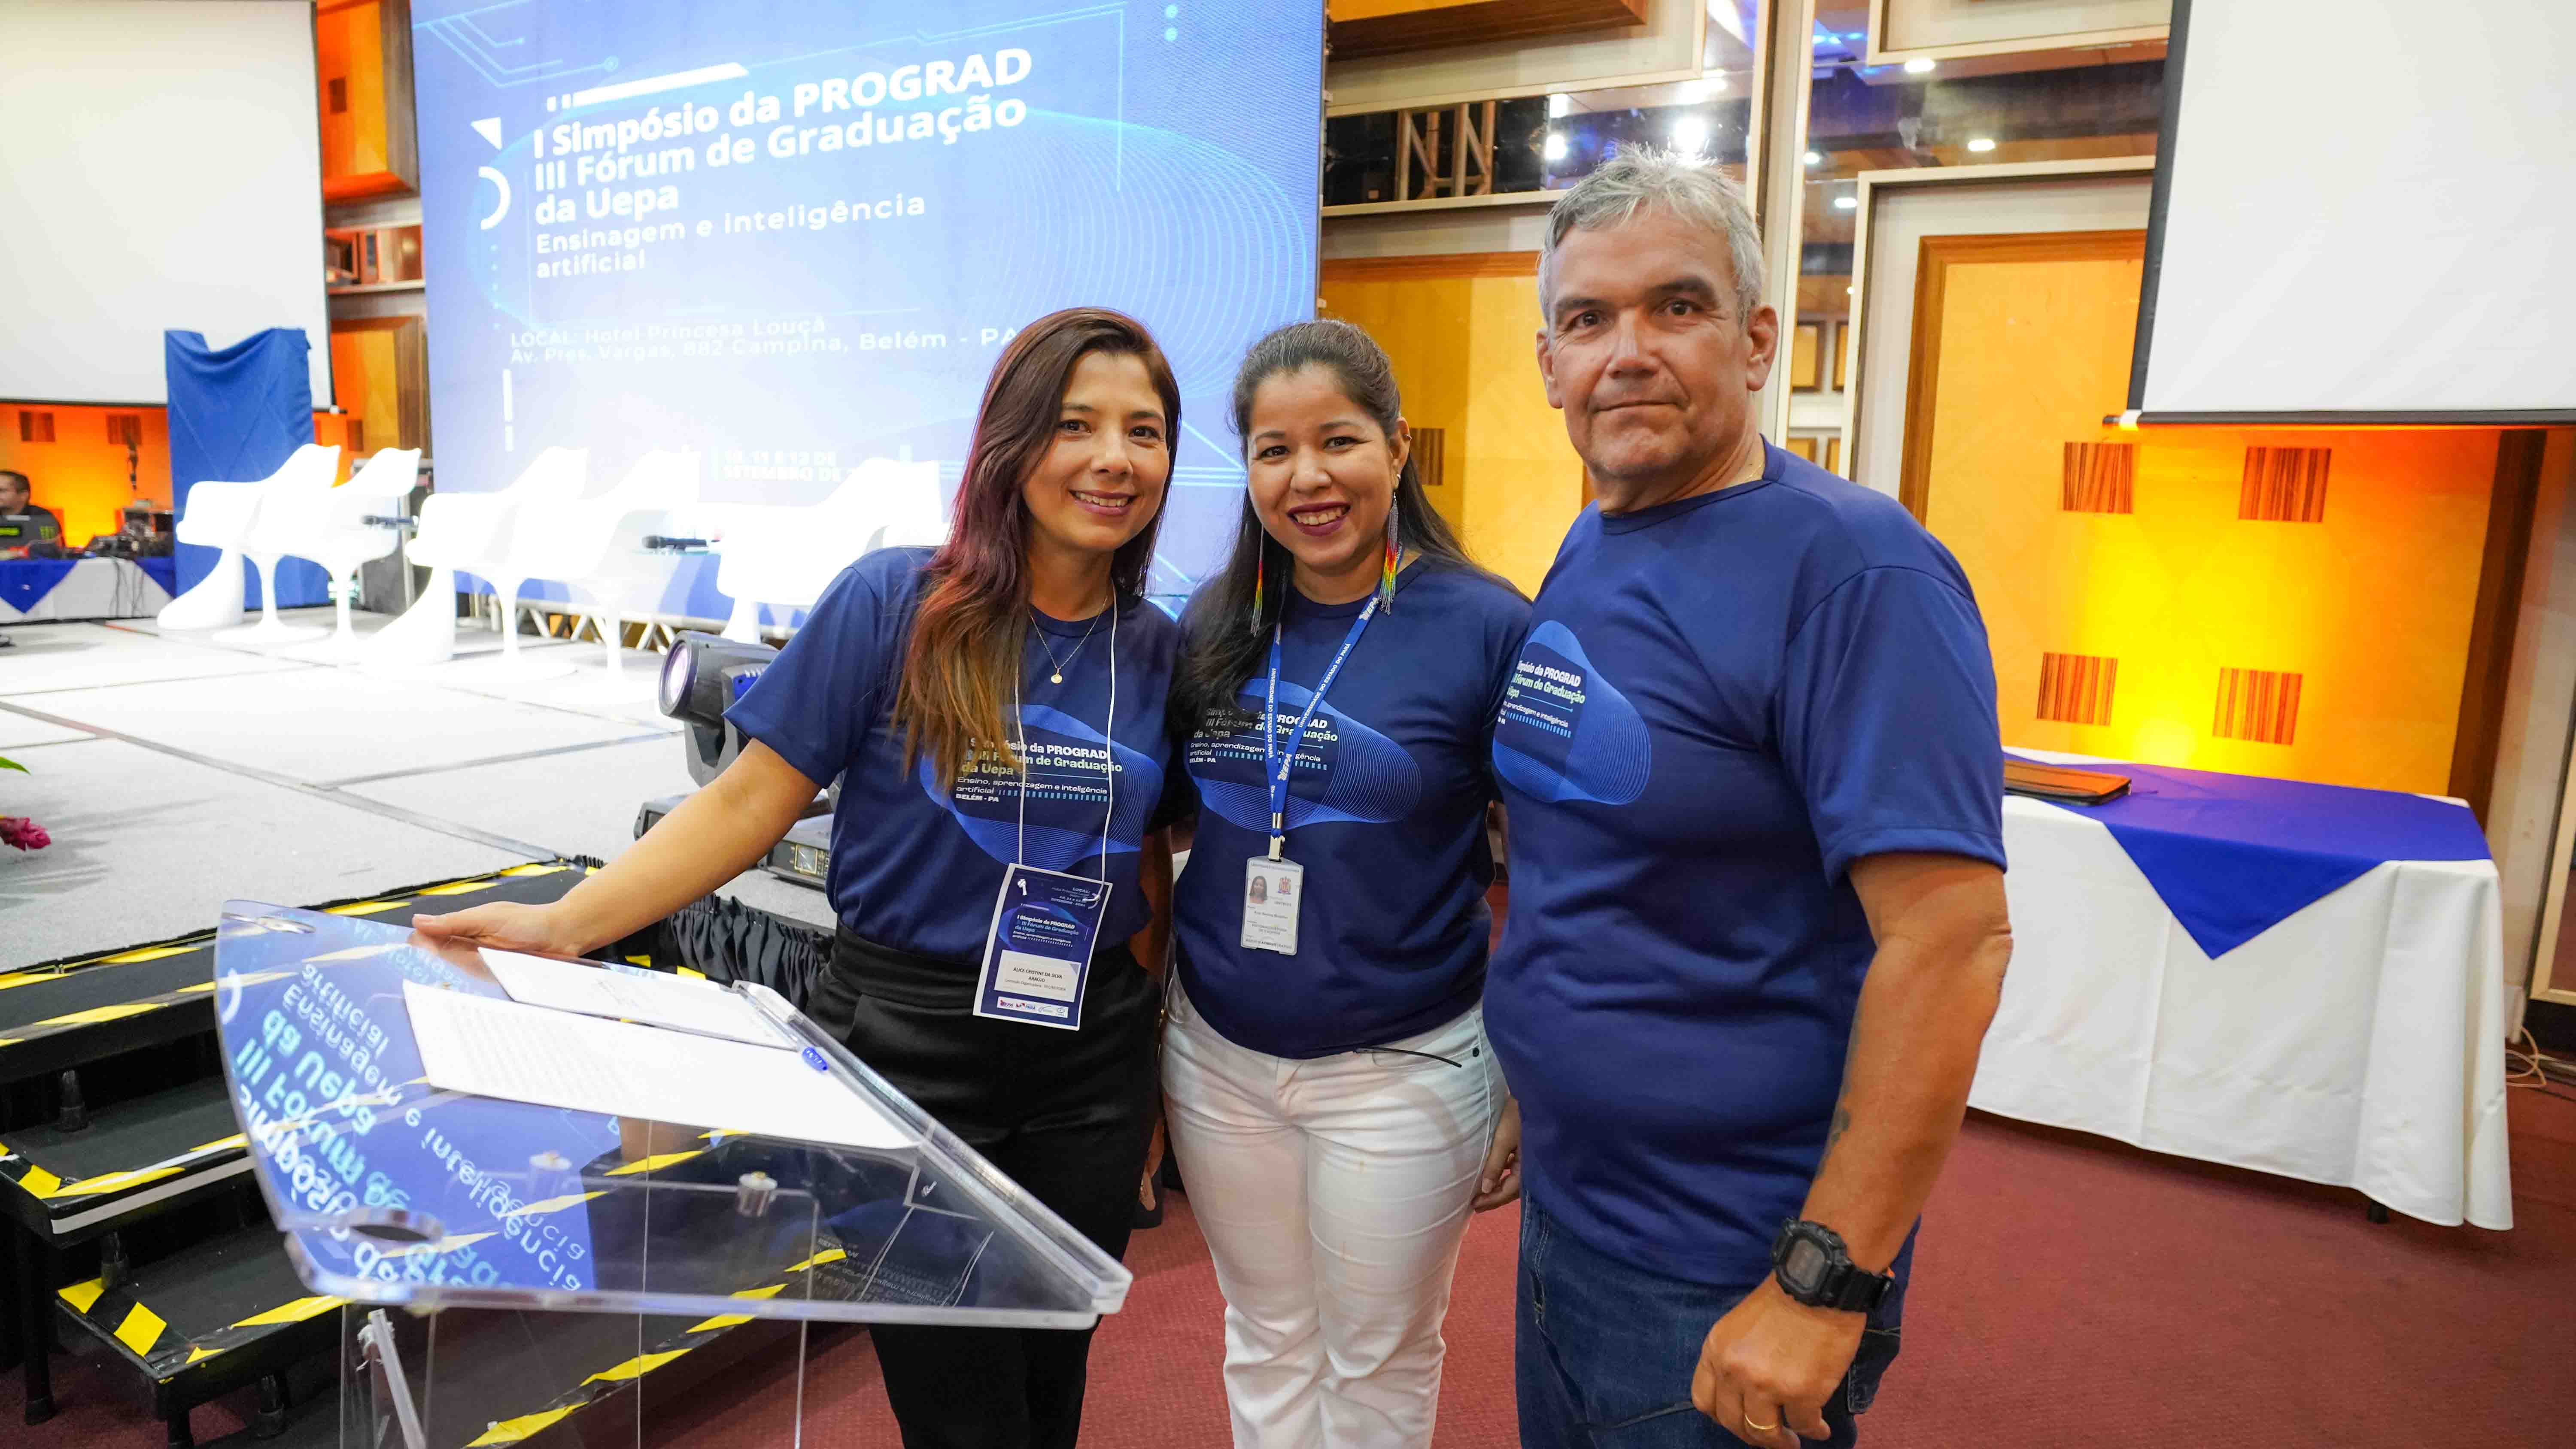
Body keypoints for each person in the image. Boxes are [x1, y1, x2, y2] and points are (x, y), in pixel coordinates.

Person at [416, 306, 1188, 1449]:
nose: (1113, 458)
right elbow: (746, 801)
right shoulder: (893, 603)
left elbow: (1147, 863)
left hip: (1089, 1064)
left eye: (1144, 431)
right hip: (909, 1053)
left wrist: (1148, 1062)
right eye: (1076, 425)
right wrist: (568, 924)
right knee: (957, 1405)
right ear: (1013, 442)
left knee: (1050, 1372)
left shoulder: (1159, 648)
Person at [1488, 152, 2011, 1449]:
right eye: (1587, 319)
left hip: (1726, 1263)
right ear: (1549, 363)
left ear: (1758, 339)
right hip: (1571, 1217)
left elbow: (1949, 942)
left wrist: (1821, 1285)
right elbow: (1591, 866)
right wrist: (1537, 1074)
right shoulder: (1591, 540)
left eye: (1675, 307)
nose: (1626, 353)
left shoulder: (1858, 571)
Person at [1160, 319, 1531, 1449]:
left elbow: (1553, 868)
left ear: (1398, 447)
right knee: (1267, 1334)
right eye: (1274, 451)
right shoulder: (1215, 620)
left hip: (1403, 1064)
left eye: (1338, 441)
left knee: (1376, 1361)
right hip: (1217, 1053)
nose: (1307, 477)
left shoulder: (1486, 624)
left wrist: (1528, 1070)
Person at [0, 470, 62, 558]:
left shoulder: (43, 518)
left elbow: (54, 552)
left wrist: (16, 554)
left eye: (2, 491)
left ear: (23, 496)